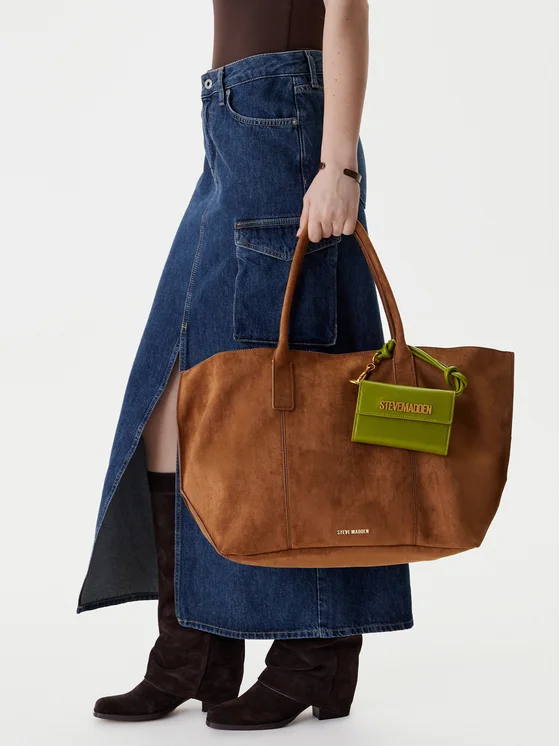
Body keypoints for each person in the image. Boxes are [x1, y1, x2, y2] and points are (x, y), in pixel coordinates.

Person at [78, 0, 413, 730]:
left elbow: (346, 13)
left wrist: (337, 163)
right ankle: (195, 648)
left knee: (300, 407)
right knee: (176, 400)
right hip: (233, 135)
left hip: (292, 128)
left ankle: (315, 654)